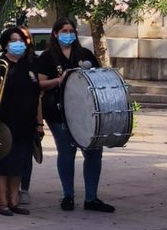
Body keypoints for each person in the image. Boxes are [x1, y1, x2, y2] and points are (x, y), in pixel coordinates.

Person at [36, 17, 115, 212]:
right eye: (64, 31)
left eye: (71, 31)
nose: (68, 34)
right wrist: (58, 81)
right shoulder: (47, 57)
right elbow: (39, 84)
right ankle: (68, 196)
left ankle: (91, 198)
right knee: (66, 151)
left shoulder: (85, 54)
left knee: (94, 151)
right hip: (58, 112)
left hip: (86, 111)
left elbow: (98, 79)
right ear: (56, 34)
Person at [0, 27, 41, 216]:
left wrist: (39, 123)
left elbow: (37, 95)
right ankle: (2, 202)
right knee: (2, 163)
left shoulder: (28, 65)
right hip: (4, 122)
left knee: (19, 164)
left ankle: (14, 200)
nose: (19, 44)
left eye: (21, 40)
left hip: (26, 123)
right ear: (6, 44)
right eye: (14, 40)